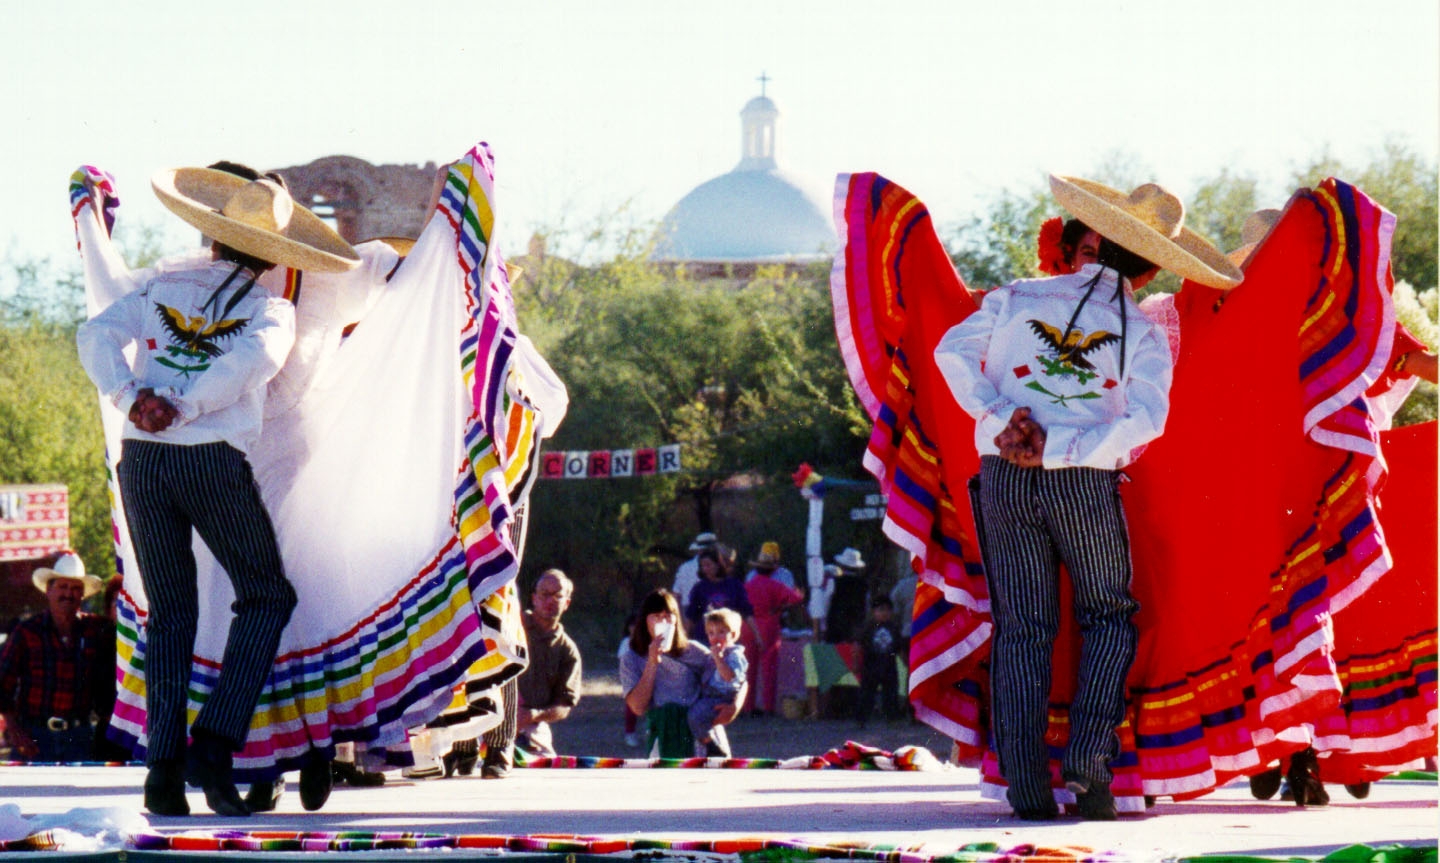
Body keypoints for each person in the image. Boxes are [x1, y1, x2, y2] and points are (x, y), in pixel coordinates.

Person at [934, 176, 1241, 821]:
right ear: (1151, 264)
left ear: (1087, 241)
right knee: (1107, 615)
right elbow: (1146, 422)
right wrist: (1063, 448)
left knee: (1022, 626)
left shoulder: (1017, 297)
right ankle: (1089, 763)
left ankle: (1024, 781)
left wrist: (1002, 421)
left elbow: (951, 351)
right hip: (1084, 483)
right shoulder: (1144, 332)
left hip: (1004, 473)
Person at [76, 167, 364, 816]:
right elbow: (248, 365)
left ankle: (163, 772)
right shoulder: (271, 308)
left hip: (143, 460)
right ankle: (215, 739)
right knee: (266, 594)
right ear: (272, 255)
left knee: (171, 612)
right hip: (208, 460)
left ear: (213, 236)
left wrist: (135, 398)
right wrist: (179, 406)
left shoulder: (159, 286)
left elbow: (94, 333)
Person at [0, 552, 116, 763]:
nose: (68, 594)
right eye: (62, 587)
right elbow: (2, 683)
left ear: (82, 595)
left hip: (80, 737)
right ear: (48, 590)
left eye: (75, 589)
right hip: (34, 735)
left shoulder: (98, 631)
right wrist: (14, 729)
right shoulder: (26, 631)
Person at [474, 569, 582, 778]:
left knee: (548, 768)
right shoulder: (510, 627)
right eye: (544, 594)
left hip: (531, 728)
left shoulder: (568, 651)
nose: (550, 600)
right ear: (534, 597)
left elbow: (564, 706)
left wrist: (532, 715)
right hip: (489, 718)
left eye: (558, 595)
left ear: (567, 602)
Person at [620, 589, 744, 758]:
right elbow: (637, 707)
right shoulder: (631, 658)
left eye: (668, 616)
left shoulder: (695, 651)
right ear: (645, 620)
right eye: (656, 616)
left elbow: (737, 677)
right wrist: (652, 662)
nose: (663, 621)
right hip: (664, 735)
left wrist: (735, 705)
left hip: (701, 735)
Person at [743, 542, 804, 716]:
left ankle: (748, 706)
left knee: (749, 669)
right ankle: (768, 707)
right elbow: (795, 599)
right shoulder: (776, 585)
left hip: (748, 626)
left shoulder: (748, 583)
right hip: (768, 625)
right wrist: (779, 607)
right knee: (768, 667)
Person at [688, 609, 746, 757]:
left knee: (696, 716)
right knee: (696, 716)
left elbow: (729, 676)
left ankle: (712, 746)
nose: (716, 637)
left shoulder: (734, 655)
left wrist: (718, 659)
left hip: (722, 695)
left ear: (733, 635)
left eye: (721, 632)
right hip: (710, 694)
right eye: (711, 633)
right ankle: (710, 743)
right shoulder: (713, 654)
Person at [854, 595, 904, 726]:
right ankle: (861, 719)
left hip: (889, 666)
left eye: (887, 610)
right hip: (871, 666)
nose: (884, 613)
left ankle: (892, 718)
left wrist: (904, 660)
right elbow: (858, 645)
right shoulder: (868, 627)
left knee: (891, 693)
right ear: (874, 612)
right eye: (881, 610)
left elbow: (899, 646)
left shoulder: (893, 627)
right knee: (867, 693)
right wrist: (855, 662)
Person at [684, 548, 755, 639]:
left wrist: (757, 635)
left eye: (708, 565)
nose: (705, 569)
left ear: (718, 564)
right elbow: (691, 616)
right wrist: (685, 638)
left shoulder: (734, 585)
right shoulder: (699, 588)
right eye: (702, 566)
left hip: (728, 637)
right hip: (705, 638)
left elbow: (746, 612)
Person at [823, 548, 868, 644]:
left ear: (841, 565)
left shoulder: (834, 581)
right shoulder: (864, 585)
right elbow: (866, 606)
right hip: (855, 627)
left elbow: (826, 602)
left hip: (835, 624)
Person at [672, 532, 718, 611]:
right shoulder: (717, 566)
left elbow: (676, 594)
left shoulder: (684, 567)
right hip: (710, 608)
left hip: (688, 609)